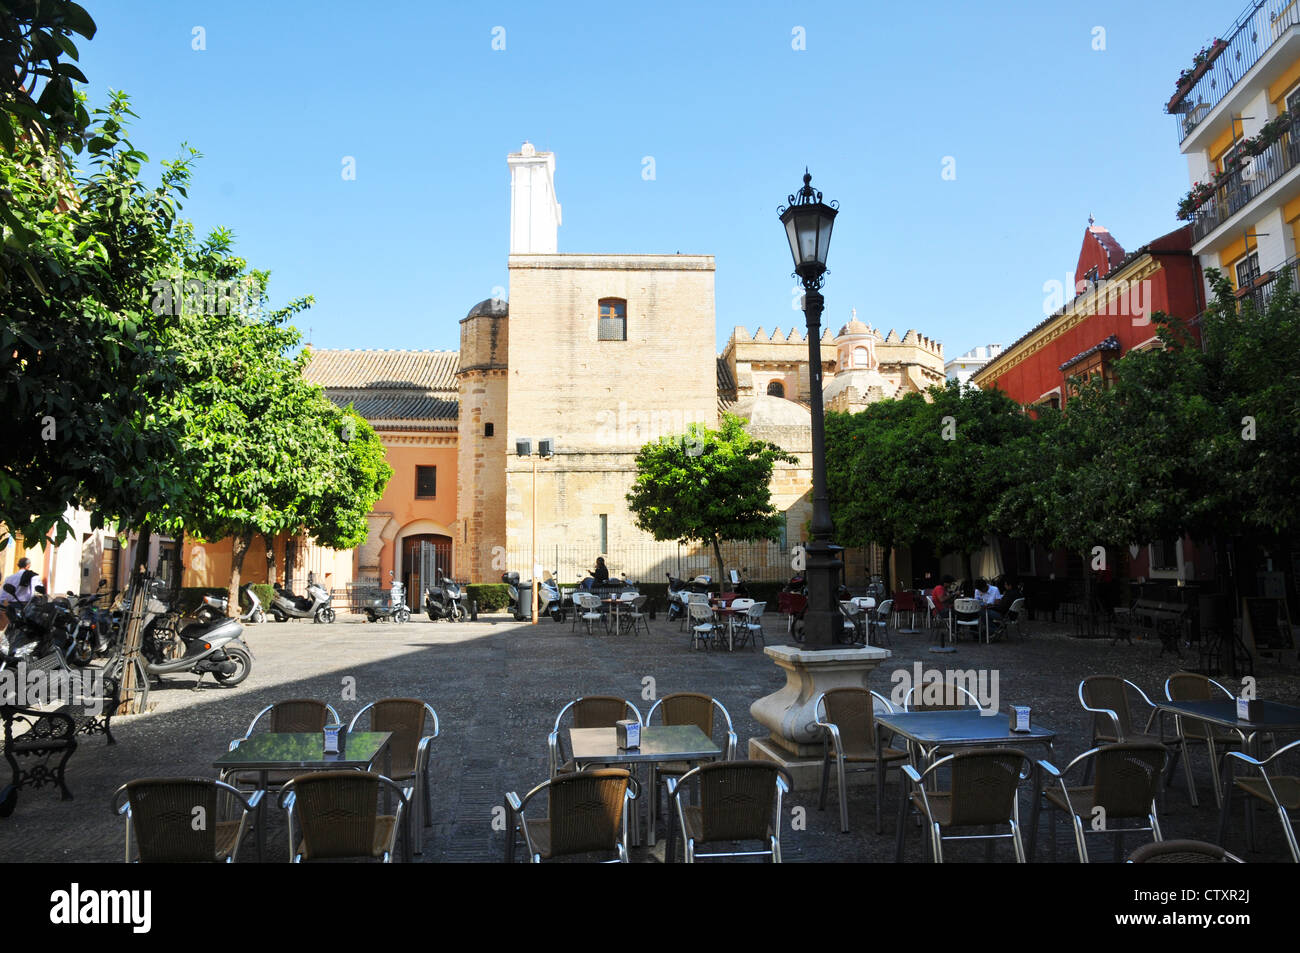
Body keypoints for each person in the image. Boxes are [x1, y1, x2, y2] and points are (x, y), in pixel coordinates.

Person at [1, 557, 40, 627]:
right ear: (28, 566)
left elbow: (2, 595)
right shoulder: (33, 577)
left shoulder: (10, 578)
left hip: (12, 606)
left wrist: (2, 607)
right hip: (26, 606)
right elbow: (35, 592)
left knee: (12, 627)